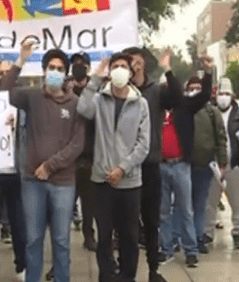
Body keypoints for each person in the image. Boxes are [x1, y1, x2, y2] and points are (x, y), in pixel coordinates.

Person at [0, 42, 85, 282]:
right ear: (44, 71)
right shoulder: (32, 97)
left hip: (63, 183)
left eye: (59, 68)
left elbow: (77, 144)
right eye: (51, 67)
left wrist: (50, 166)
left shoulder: (76, 104)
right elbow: (4, 90)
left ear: (65, 73)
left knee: (61, 241)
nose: (54, 71)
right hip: (32, 182)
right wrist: (20, 61)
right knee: (33, 239)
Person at [77, 53, 150, 282]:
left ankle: (128, 276)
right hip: (102, 180)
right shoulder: (99, 99)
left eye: (123, 66)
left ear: (130, 72)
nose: (118, 70)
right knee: (104, 236)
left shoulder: (141, 103)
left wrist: (123, 168)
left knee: (129, 236)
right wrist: (95, 79)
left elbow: (144, 143)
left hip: (129, 182)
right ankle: (106, 276)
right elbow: (82, 109)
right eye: (115, 66)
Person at [122, 47, 181, 282]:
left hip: (150, 165)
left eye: (138, 62)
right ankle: (126, 269)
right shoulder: (120, 91)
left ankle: (153, 270)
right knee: (127, 222)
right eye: (129, 63)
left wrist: (168, 69)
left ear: (144, 64)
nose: (134, 67)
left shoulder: (156, 91)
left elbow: (177, 97)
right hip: (126, 167)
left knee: (151, 220)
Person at [157, 61, 212, 268]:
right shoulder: (156, 110)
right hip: (161, 166)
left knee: (186, 209)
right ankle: (166, 248)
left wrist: (207, 73)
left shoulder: (185, 107)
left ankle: (190, 250)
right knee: (163, 211)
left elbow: (205, 95)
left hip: (181, 166)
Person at [0, 59, 27, 280]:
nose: (3, 77)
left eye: (8, 73)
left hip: (17, 173)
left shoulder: (24, 104)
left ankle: (22, 266)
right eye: (0, 74)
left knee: (19, 226)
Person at [186, 77, 227, 254]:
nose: (194, 91)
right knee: (183, 207)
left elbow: (221, 138)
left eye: (198, 88)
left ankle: (197, 238)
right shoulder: (181, 109)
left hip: (204, 166)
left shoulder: (213, 112)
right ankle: (184, 238)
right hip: (182, 166)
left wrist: (222, 162)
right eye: (191, 88)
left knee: (200, 204)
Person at [204, 77, 239, 249]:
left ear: (232, 96)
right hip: (213, 164)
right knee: (210, 202)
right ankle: (207, 233)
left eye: (227, 94)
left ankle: (237, 231)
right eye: (220, 93)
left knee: (237, 201)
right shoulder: (210, 112)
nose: (223, 97)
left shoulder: (238, 113)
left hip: (234, 164)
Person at [69, 52, 98, 252]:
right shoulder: (63, 89)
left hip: (89, 156)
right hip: (67, 158)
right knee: (64, 205)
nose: (78, 68)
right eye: (75, 65)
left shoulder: (96, 90)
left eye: (82, 65)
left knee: (89, 203)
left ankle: (89, 236)